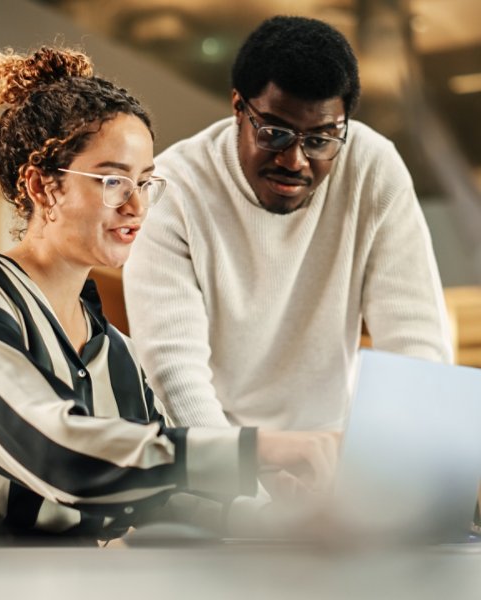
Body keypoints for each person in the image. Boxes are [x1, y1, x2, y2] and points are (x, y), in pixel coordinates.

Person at [0, 45, 337, 543]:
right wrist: (254, 450)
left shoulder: (117, 352)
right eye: (113, 180)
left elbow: (157, 495)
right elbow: (55, 453)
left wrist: (276, 519)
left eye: (147, 182)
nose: (137, 205)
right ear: (43, 188)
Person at [123, 16, 453, 430]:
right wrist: (244, 479)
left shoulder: (372, 168)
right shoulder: (174, 190)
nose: (294, 161)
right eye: (275, 134)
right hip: (214, 451)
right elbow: (174, 376)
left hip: (328, 443)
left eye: (319, 140)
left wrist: (386, 472)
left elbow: (416, 345)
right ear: (238, 108)